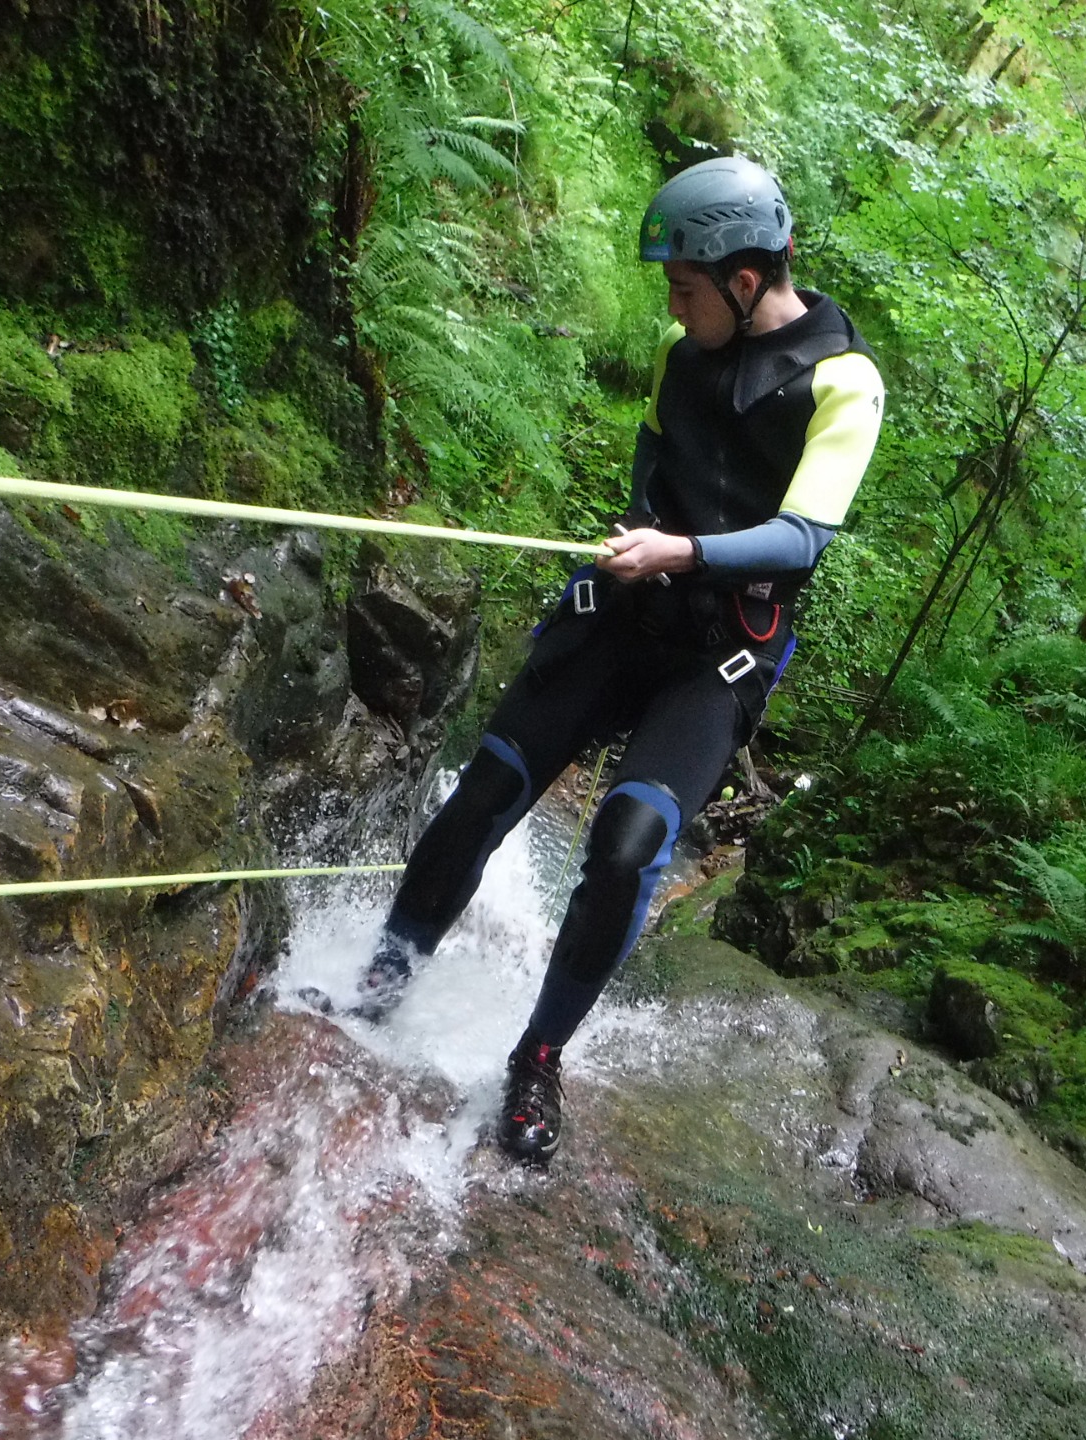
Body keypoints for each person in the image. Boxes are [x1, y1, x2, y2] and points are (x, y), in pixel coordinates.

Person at [358, 155, 885, 1165]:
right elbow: (653, 453)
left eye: (685, 289)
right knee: (486, 790)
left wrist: (679, 551)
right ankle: (382, 980)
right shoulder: (680, 349)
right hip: (627, 607)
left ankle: (537, 1059)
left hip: (718, 652)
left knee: (628, 845)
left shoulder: (842, 383)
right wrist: (640, 528)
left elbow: (802, 539)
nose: (672, 309)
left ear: (743, 279)